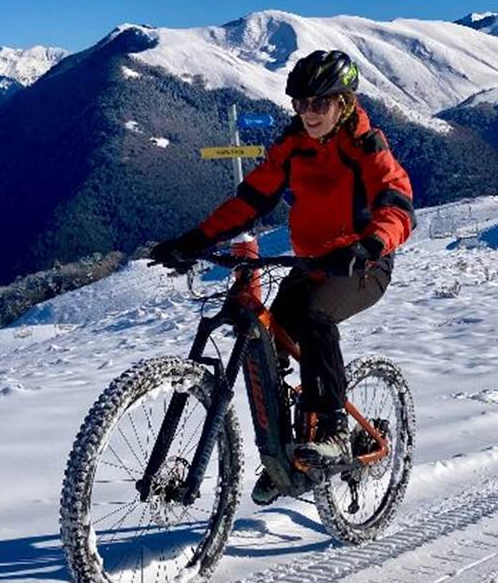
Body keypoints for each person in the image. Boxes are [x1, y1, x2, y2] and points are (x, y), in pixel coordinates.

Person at [148, 50, 415, 505]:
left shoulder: (366, 147)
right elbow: (250, 200)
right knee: (266, 339)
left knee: (314, 317)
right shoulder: (292, 147)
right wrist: (193, 239)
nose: (308, 113)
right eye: (300, 103)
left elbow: (397, 205)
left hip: (363, 264)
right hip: (311, 263)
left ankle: (332, 429)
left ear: (344, 103)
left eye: (320, 103)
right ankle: (288, 457)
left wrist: (369, 244)